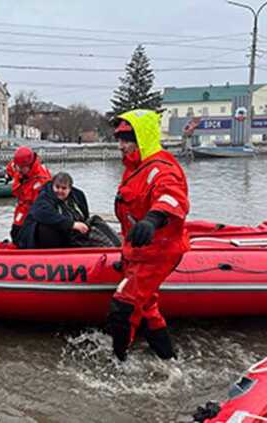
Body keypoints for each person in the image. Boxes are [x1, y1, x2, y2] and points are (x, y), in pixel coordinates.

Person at [106, 109, 190, 362]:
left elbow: (171, 196)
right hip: (140, 250)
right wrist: (126, 256)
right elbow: (130, 216)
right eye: (119, 139)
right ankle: (167, 359)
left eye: (126, 139)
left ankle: (118, 364)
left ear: (141, 138)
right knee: (148, 307)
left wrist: (154, 219)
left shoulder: (160, 168)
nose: (121, 145)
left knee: (124, 306)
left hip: (158, 250)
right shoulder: (135, 166)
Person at [5, 146, 52, 244]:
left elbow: (39, 204)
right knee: (15, 231)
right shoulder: (19, 165)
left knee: (24, 232)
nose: (19, 170)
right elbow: (12, 167)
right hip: (22, 206)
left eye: (21, 168)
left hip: (31, 208)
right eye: (18, 167)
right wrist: (8, 174)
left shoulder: (42, 180)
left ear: (30, 165)